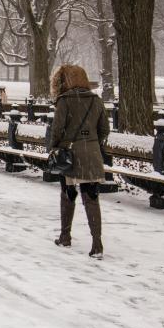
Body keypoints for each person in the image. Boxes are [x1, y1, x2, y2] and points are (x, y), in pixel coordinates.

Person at [48, 63, 110, 259]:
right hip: (91, 153)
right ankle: (97, 243)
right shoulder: (95, 100)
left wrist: (54, 148)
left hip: (70, 154)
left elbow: (57, 130)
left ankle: (65, 235)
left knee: (68, 194)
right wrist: (90, 141)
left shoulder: (64, 101)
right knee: (91, 197)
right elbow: (104, 130)